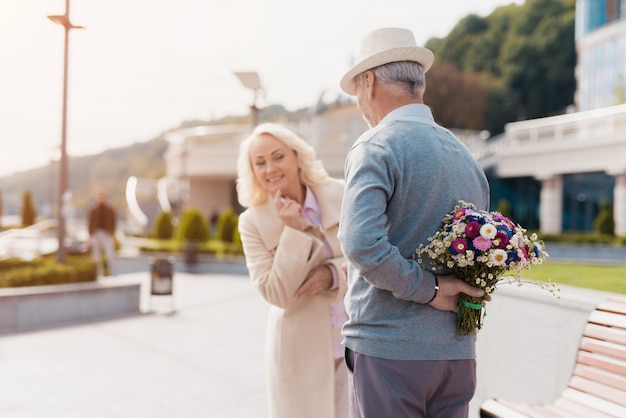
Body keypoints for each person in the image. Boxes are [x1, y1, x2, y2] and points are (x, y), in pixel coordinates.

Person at [337, 27, 491, 418]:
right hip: (456, 355)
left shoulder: (377, 145)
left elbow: (361, 245)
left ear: (368, 82)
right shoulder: (466, 157)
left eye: (357, 90)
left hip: (391, 351)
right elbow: (484, 255)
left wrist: (430, 289)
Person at [236, 123, 349, 418]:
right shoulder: (251, 223)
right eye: (259, 163)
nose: (270, 168)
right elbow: (277, 294)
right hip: (300, 351)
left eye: (278, 156)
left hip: (357, 342)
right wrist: (293, 233)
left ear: (297, 157)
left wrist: (334, 274)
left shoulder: (343, 194)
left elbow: (371, 257)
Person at [88, 188, 116, 276]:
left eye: (103, 197)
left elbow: (113, 223)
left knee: (110, 254)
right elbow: (90, 224)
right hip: (96, 234)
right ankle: (98, 275)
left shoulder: (110, 209)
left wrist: (113, 235)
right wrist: (90, 237)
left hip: (106, 234)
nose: (101, 199)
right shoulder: (93, 210)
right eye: (99, 197)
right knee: (96, 256)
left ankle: (112, 274)